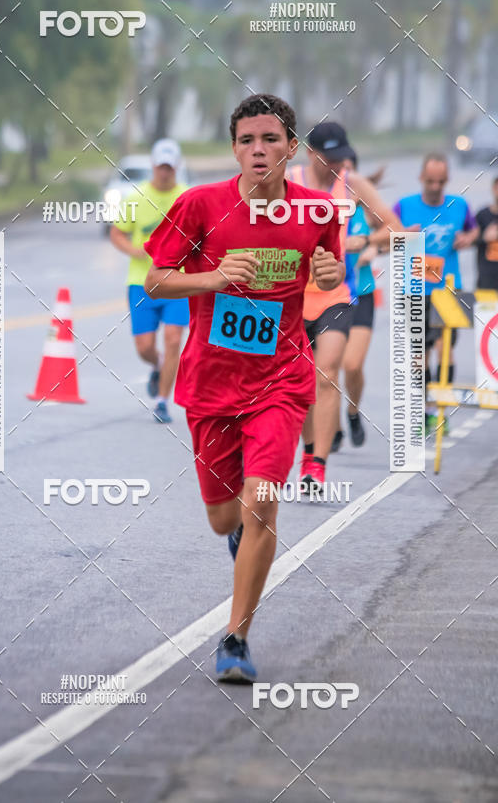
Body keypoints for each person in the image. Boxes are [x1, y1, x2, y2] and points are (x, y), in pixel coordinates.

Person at [144, 94, 346, 682]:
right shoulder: (200, 204)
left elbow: (329, 270)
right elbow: (156, 280)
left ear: (290, 147)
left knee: (262, 503)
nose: (259, 150)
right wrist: (214, 275)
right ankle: (237, 539)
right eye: (247, 141)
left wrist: (330, 274)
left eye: (271, 140)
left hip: (282, 381)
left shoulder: (317, 212)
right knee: (222, 517)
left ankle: (235, 639)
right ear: (234, 149)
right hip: (211, 383)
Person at [288, 124, 401, 488]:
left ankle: (317, 466)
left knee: (328, 372)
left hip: (337, 293)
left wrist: (365, 238)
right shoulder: (287, 180)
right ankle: (308, 451)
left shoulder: (352, 184)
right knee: (300, 381)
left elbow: (395, 229)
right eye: (330, 158)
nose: (338, 165)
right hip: (291, 296)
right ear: (310, 153)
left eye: (341, 158)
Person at [394, 153, 478, 432]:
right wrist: (401, 234)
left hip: (450, 289)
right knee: (419, 356)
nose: (435, 187)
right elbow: (384, 234)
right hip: (414, 289)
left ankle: (440, 412)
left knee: (445, 352)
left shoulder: (460, 205)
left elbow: (473, 230)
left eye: (440, 182)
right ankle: (424, 410)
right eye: (430, 181)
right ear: (421, 178)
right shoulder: (404, 206)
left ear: (447, 180)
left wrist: (468, 238)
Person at [110, 139, 189, 424]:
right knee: (144, 347)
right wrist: (132, 250)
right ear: (153, 166)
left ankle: (162, 401)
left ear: (177, 167)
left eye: (170, 167)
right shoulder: (136, 198)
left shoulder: (188, 198)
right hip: (141, 283)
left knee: (173, 340)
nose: (165, 172)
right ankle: (157, 365)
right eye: (160, 167)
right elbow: (117, 232)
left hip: (178, 282)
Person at [332, 153, 384, 452]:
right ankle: (333, 427)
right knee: (328, 367)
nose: (345, 179)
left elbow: (390, 233)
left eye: (350, 173)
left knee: (352, 365)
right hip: (329, 295)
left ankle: (352, 412)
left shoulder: (365, 209)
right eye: (339, 171)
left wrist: (371, 247)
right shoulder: (320, 207)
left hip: (361, 293)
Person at [475, 176, 498, 292]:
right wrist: (484, 238)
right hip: (486, 284)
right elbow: (469, 241)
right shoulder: (482, 215)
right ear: (494, 188)